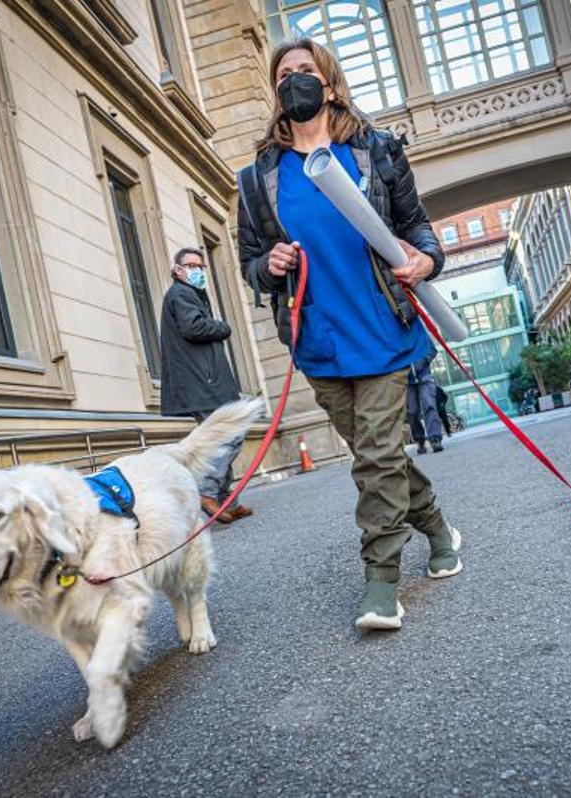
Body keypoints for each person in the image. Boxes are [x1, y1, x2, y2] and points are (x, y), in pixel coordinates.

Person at [237, 38, 461, 632]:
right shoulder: (257, 178)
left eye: (305, 72)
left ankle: (382, 581)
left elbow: (417, 227)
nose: (295, 82)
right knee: (375, 455)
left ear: (330, 84)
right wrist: (272, 264)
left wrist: (426, 262)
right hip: (319, 341)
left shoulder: (375, 151)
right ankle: (437, 527)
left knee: (377, 458)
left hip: (385, 327)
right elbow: (250, 263)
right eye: (284, 75)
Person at [160, 247, 252, 524]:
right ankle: (207, 491)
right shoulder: (181, 294)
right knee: (227, 435)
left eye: (201, 266)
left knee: (221, 437)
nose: (198, 270)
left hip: (205, 381)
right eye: (191, 265)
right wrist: (222, 327)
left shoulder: (190, 294)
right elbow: (194, 328)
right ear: (177, 270)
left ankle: (225, 502)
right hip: (203, 382)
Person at [406, 354, 444, 453]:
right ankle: (420, 440)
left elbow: (432, 349)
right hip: (407, 380)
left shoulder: (420, 337)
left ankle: (435, 438)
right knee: (412, 411)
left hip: (424, 375)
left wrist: (423, 360)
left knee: (429, 405)